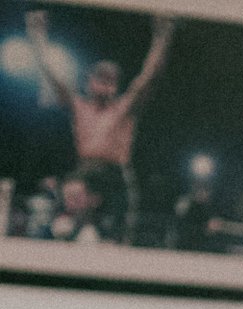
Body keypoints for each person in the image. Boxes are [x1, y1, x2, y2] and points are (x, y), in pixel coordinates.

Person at [24, 9, 175, 245]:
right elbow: (52, 75)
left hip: (115, 176)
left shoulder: (125, 107)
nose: (106, 84)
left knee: (117, 240)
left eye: (111, 80)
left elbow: (150, 76)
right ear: (90, 81)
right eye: (101, 78)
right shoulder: (79, 105)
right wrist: (36, 35)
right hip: (83, 173)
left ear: (116, 86)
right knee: (65, 232)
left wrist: (162, 36)